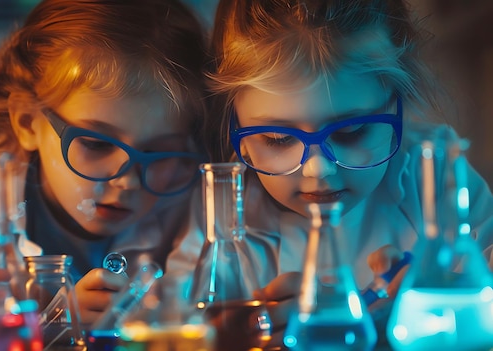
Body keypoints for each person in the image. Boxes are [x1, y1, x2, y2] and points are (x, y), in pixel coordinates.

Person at [166, 0, 493, 346]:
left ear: (399, 109)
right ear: (238, 132)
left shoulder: (434, 176)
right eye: (278, 139)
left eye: (351, 132)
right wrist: (230, 333)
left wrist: (430, 311)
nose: (318, 168)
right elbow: (173, 318)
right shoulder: (220, 207)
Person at [0, 0, 209, 329]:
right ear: (28, 121)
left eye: (161, 153)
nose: (129, 182)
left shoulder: (185, 213)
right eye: (97, 144)